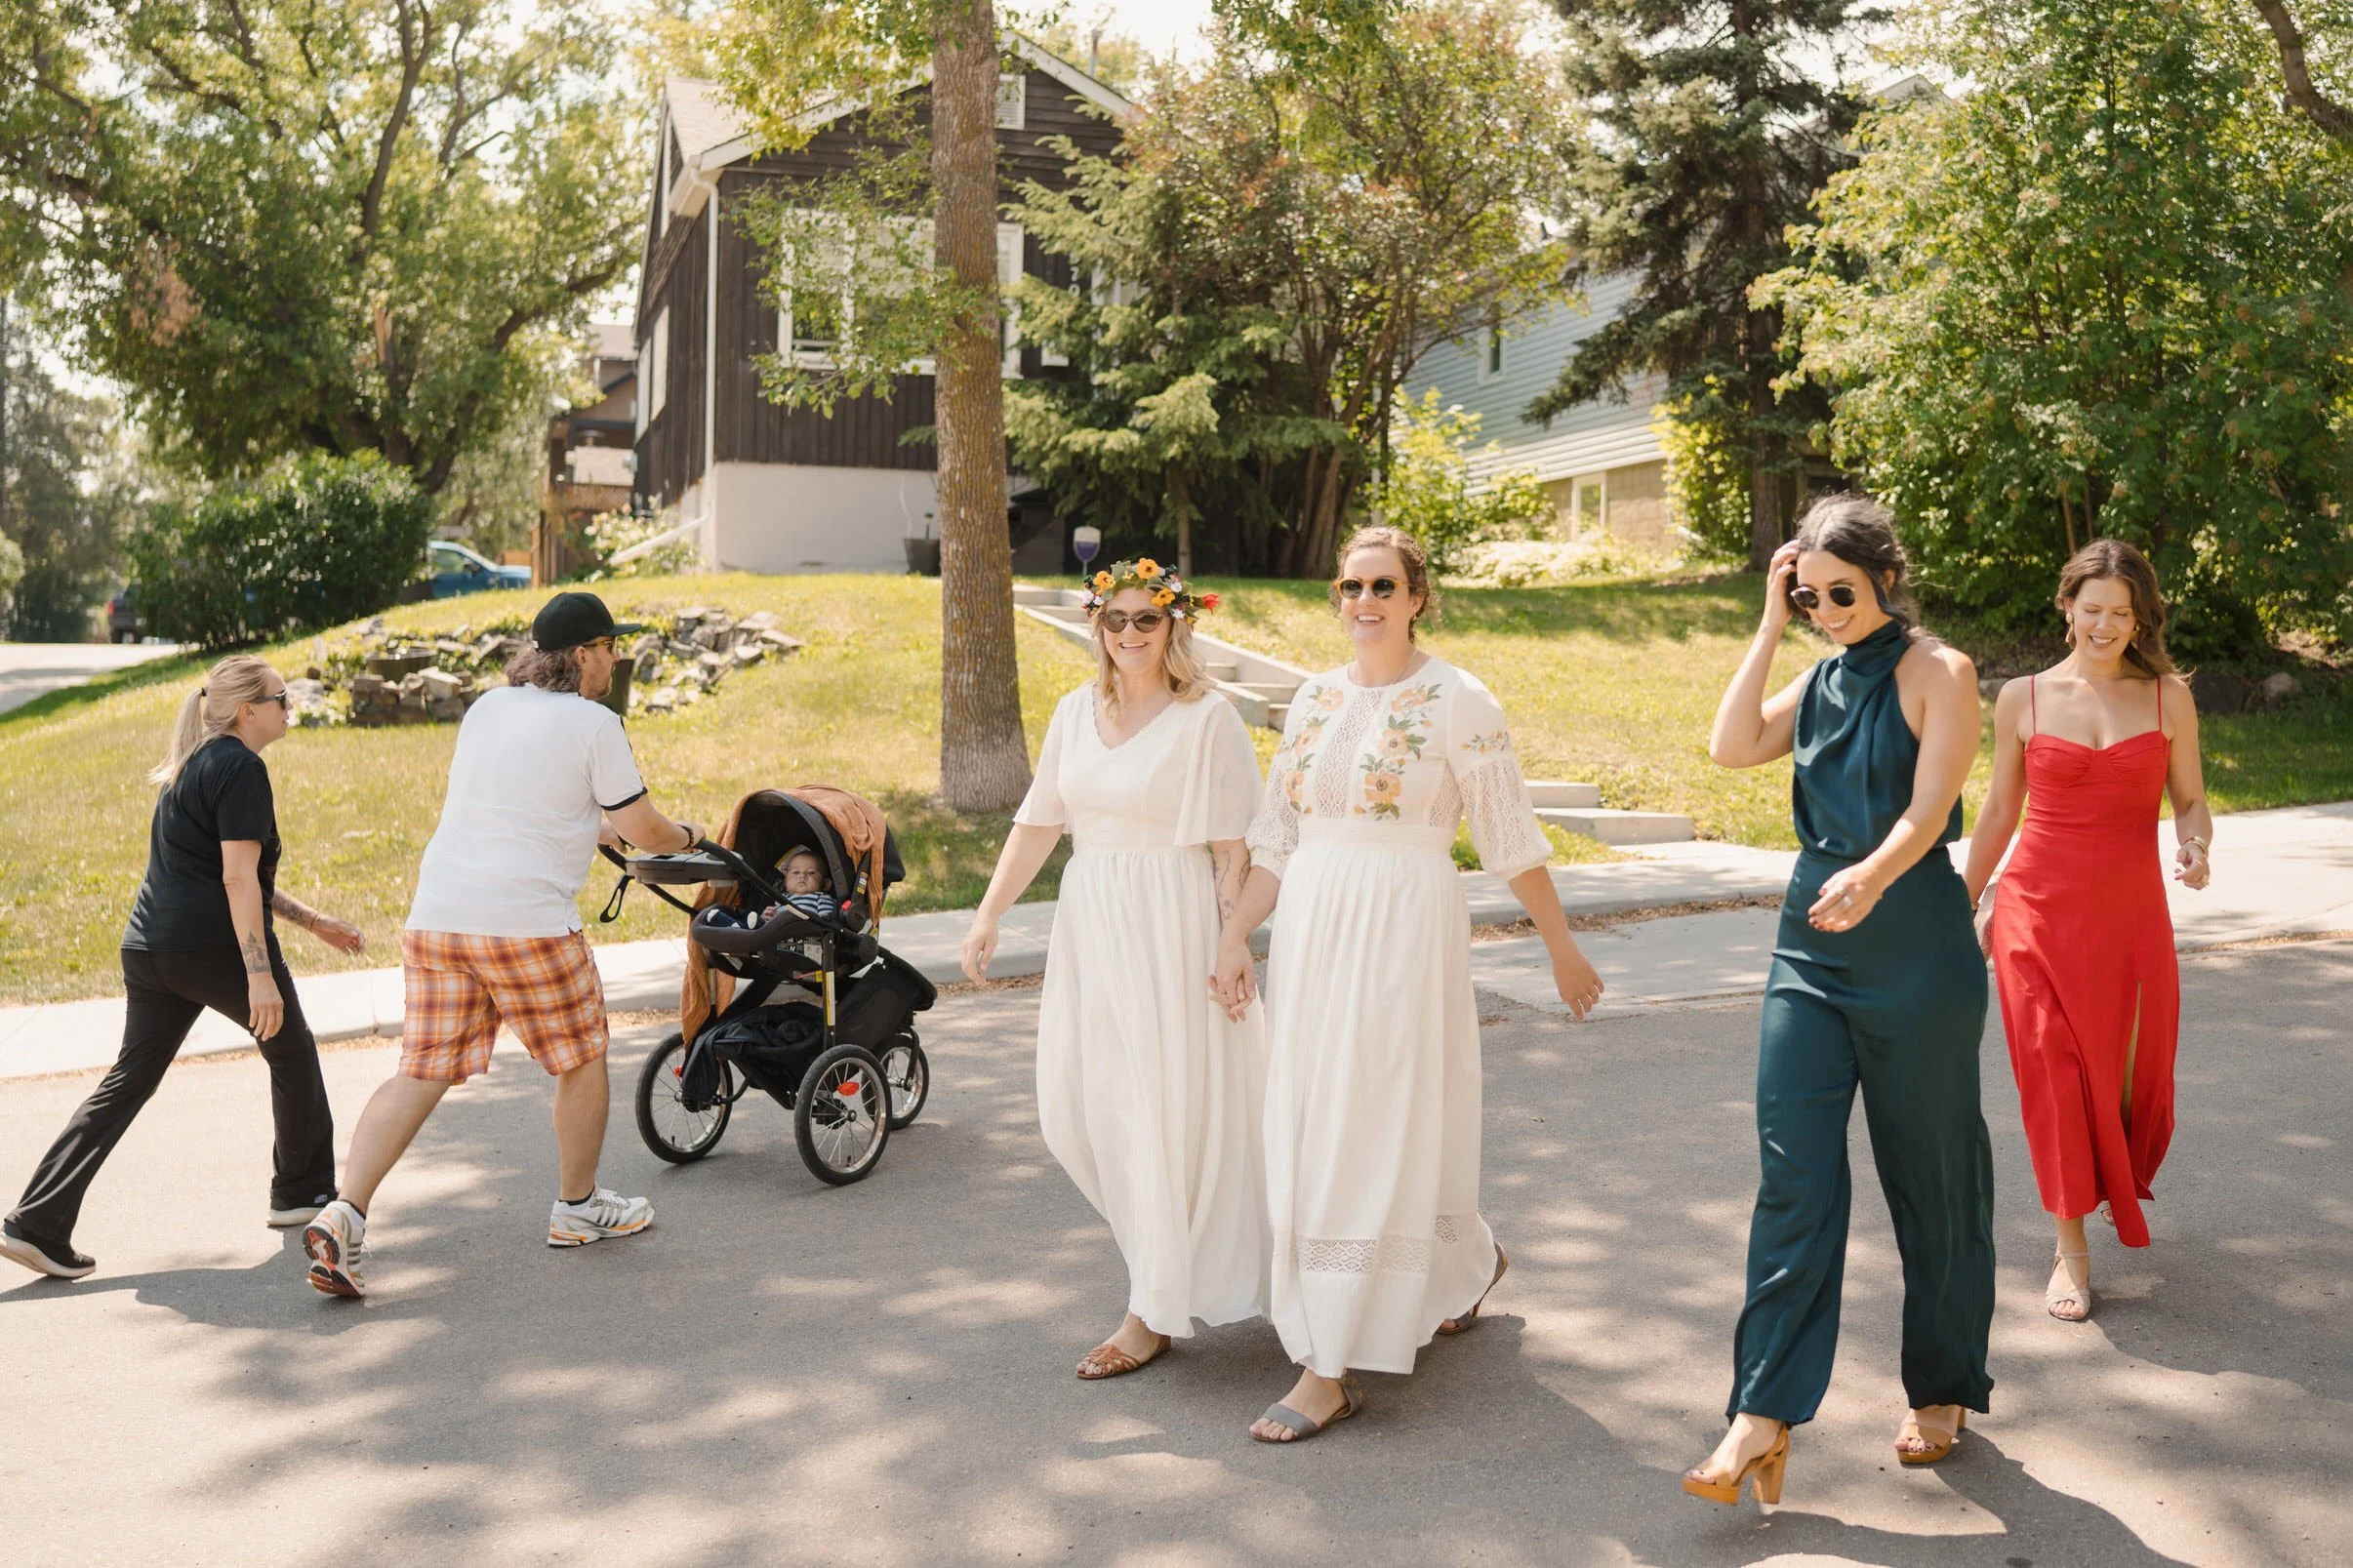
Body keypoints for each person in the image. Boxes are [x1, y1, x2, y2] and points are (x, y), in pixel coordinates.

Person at [1212, 526, 1604, 1443]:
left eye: (1383, 585)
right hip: (1312, 927)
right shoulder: (1311, 699)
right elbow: (1275, 838)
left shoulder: (1459, 700)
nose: (1364, 602)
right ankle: (1463, 1255)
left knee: (1372, 1118)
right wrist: (1234, 934)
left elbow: (1511, 838)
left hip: (1402, 930)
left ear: (1417, 595)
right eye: (1350, 587)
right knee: (1313, 1118)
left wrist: (1562, 948)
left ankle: (1329, 1368)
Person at [1684, 494, 1994, 1504]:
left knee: (1931, 1175)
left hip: (1910, 938)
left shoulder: (1937, 670)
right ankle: (1759, 1412)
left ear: (1887, 579)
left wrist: (1869, 874)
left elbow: (1930, 804)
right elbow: (1729, 745)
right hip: (1807, 941)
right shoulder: (1815, 673)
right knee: (1792, 1178)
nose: (1825, 609)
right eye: (1807, 594)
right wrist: (1767, 625)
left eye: (1838, 593)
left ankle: (1940, 1383)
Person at [300, 592, 702, 1299]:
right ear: (582, 654)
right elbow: (643, 827)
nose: (615, 657)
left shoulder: (489, 707)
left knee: (420, 1070)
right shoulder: (594, 721)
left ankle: (346, 1213)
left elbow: (529, 802)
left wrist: (593, 830)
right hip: (527, 925)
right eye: (609, 645)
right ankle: (577, 1207)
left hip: (439, 919)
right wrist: (692, 838)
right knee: (581, 1057)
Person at [962, 559, 1270, 1380]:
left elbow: (1234, 845)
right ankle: (1161, 1278)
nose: (1129, 633)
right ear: (1096, 627)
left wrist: (1230, 940)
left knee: (1162, 1113)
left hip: (1173, 925)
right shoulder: (1074, 711)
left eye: (1145, 618)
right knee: (1085, 1106)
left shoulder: (1207, 718)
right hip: (1092, 921)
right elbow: (1036, 823)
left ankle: (1150, 1307)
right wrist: (989, 912)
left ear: (1174, 625)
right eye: (1114, 619)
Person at [1, 658, 365, 1280]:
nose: (289, 708)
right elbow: (234, 877)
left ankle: (36, 1221)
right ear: (248, 710)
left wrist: (315, 924)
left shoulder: (195, 762)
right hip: (211, 947)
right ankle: (300, 1193)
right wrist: (258, 975)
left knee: (129, 1079)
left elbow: (223, 871)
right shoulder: (242, 767)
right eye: (281, 699)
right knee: (292, 1050)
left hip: (150, 950)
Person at [1965, 540, 2210, 1322]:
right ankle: (2070, 1248)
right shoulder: (2023, 699)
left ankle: (2113, 1176)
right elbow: (2000, 810)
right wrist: (1960, 900)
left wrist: (2195, 843)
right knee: (2052, 1071)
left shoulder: (2167, 696)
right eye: (2091, 608)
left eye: (2120, 612)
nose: (2104, 624)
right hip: (2034, 906)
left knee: (2135, 1076)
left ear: (2139, 618)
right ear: (2065, 604)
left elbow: (2191, 800)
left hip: (2131, 914)